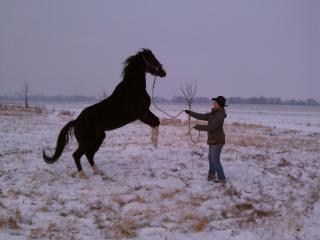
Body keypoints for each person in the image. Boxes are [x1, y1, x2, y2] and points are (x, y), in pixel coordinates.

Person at [185, 96, 227, 183]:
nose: (213, 104)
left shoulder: (219, 115)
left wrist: (199, 127)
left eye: (215, 103)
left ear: (219, 105)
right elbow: (202, 116)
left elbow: (211, 127)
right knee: (211, 158)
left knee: (215, 159)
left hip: (218, 140)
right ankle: (211, 176)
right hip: (213, 140)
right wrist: (190, 113)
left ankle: (222, 178)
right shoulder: (214, 113)